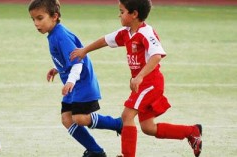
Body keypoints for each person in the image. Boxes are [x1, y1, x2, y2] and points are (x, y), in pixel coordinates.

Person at [70, 0, 202, 157]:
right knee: (148, 128)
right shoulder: (126, 32)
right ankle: (191, 132)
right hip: (141, 85)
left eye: (122, 11)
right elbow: (105, 40)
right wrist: (85, 50)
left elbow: (156, 56)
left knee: (127, 116)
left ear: (134, 14)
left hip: (150, 83)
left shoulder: (146, 33)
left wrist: (139, 77)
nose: (119, 15)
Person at [28, 0, 123, 157]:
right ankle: (95, 151)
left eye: (40, 18)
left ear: (54, 16)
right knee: (67, 119)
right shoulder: (53, 34)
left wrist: (71, 81)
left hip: (81, 83)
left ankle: (118, 124)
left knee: (79, 118)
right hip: (74, 84)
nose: (36, 23)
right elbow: (68, 59)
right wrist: (58, 69)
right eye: (33, 19)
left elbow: (77, 62)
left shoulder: (60, 35)